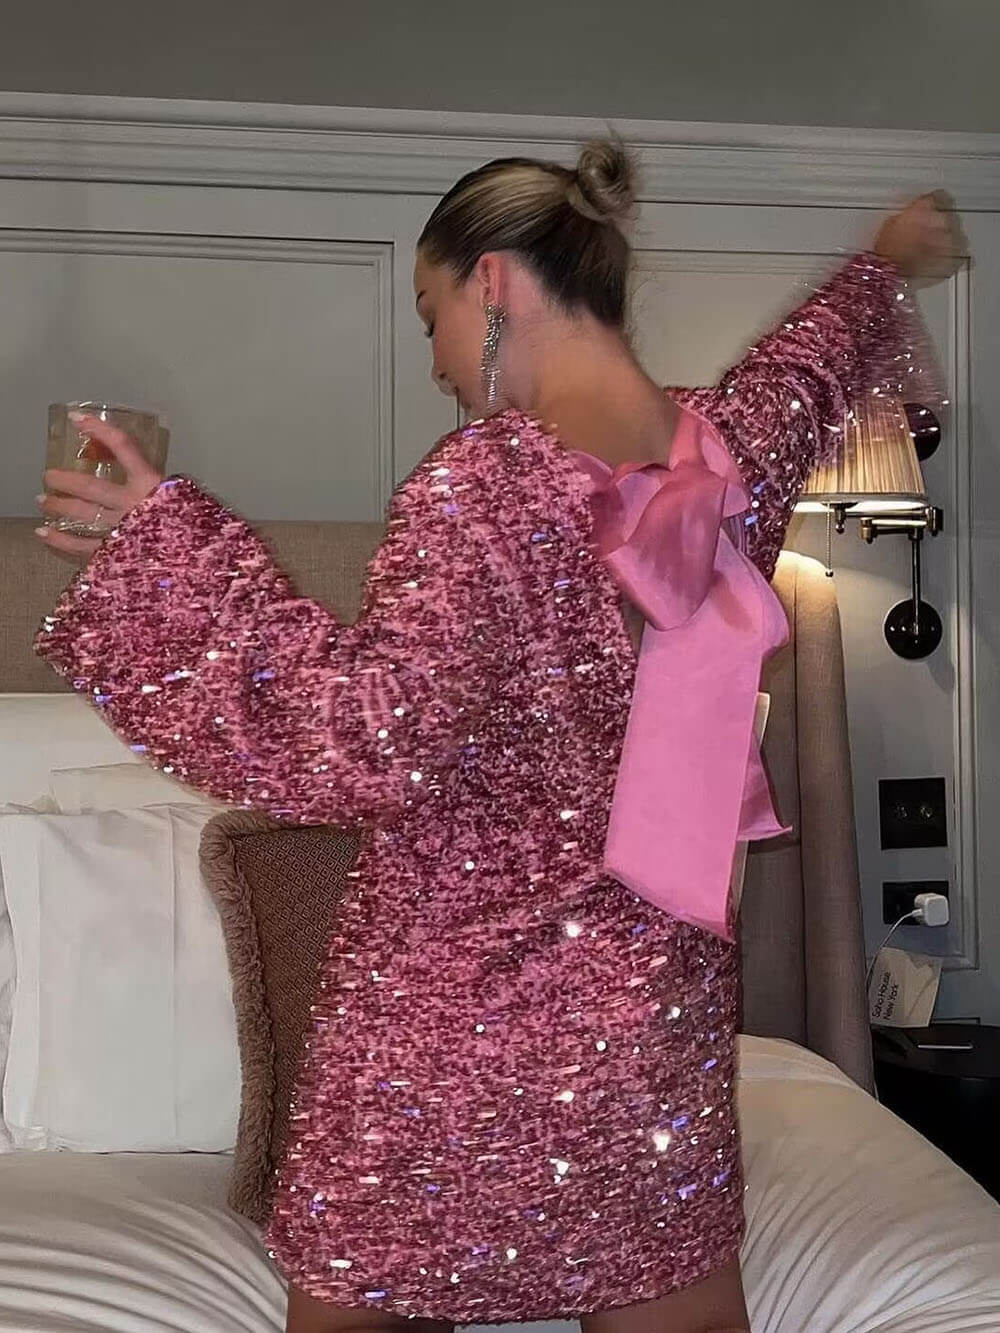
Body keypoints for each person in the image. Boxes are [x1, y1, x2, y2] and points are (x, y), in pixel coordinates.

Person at [33, 142, 962, 1333]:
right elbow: (807, 366)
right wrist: (883, 259)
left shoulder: (485, 487)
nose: (433, 359)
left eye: (429, 313)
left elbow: (361, 738)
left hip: (435, 1049)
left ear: (491, 282)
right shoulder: (727, 454)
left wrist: (165, 553)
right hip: (643, 1044)